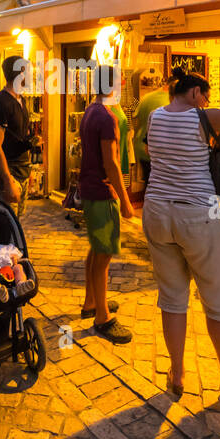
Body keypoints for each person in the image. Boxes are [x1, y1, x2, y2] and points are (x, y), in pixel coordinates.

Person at [143, 68, 220, 400]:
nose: (208, 102)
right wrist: (214, 116)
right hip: (201, 210)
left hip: (156, 208)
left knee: (171, 297)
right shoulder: (201, 116)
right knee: (217, 298)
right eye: (206, 95)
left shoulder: (155, 116)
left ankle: (177, 371)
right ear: (196, 92)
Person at [76, 64, 136, 343]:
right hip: (102, 191)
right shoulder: (107, 117)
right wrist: (125, 200)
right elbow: (111, 162)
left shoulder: (90, 111)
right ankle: (102, 317)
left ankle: (92, 302)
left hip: (89, 188)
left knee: (96, 249)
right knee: (104, 256)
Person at [0, 55, 38, 219]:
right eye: (29, 71)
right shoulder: (0, 103)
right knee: (6, 226)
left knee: (17, 223)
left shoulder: (20, 100)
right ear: (21, 73)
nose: (33, 75)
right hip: (8, 173)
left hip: (21, 170)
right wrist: (8, 181)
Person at [131, 71, 173, 193]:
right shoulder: (170, 102)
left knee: (149, 184)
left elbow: (138, 123)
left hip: (141, 147)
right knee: (160, 188)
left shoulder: (146, 97)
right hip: (158, 150)